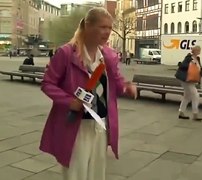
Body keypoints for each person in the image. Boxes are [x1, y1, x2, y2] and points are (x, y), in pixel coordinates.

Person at [40, 7, 137, 180]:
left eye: (109, 27)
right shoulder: (67, 53)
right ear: (88, 26)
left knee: (97, 174)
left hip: (101, 124)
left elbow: (116, 80)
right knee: (75, 174)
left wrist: (126, 87)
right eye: (102, 27)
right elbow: (48, 83)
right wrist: (70, 101)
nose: (107, 32)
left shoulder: (108, 55)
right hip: (77, 126)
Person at [175, 46, 202, 121]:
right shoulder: (188, 58)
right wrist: (188, 64)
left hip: (191, 80)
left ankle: (181, 112)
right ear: (194, 51)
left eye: (199, 50)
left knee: (187, 96)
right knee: (195, 95)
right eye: (197, 50)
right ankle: (195, 114)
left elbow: (200, 70)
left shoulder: (197, 59)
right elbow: (182, 66)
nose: (199, 51)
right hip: (186, 80)